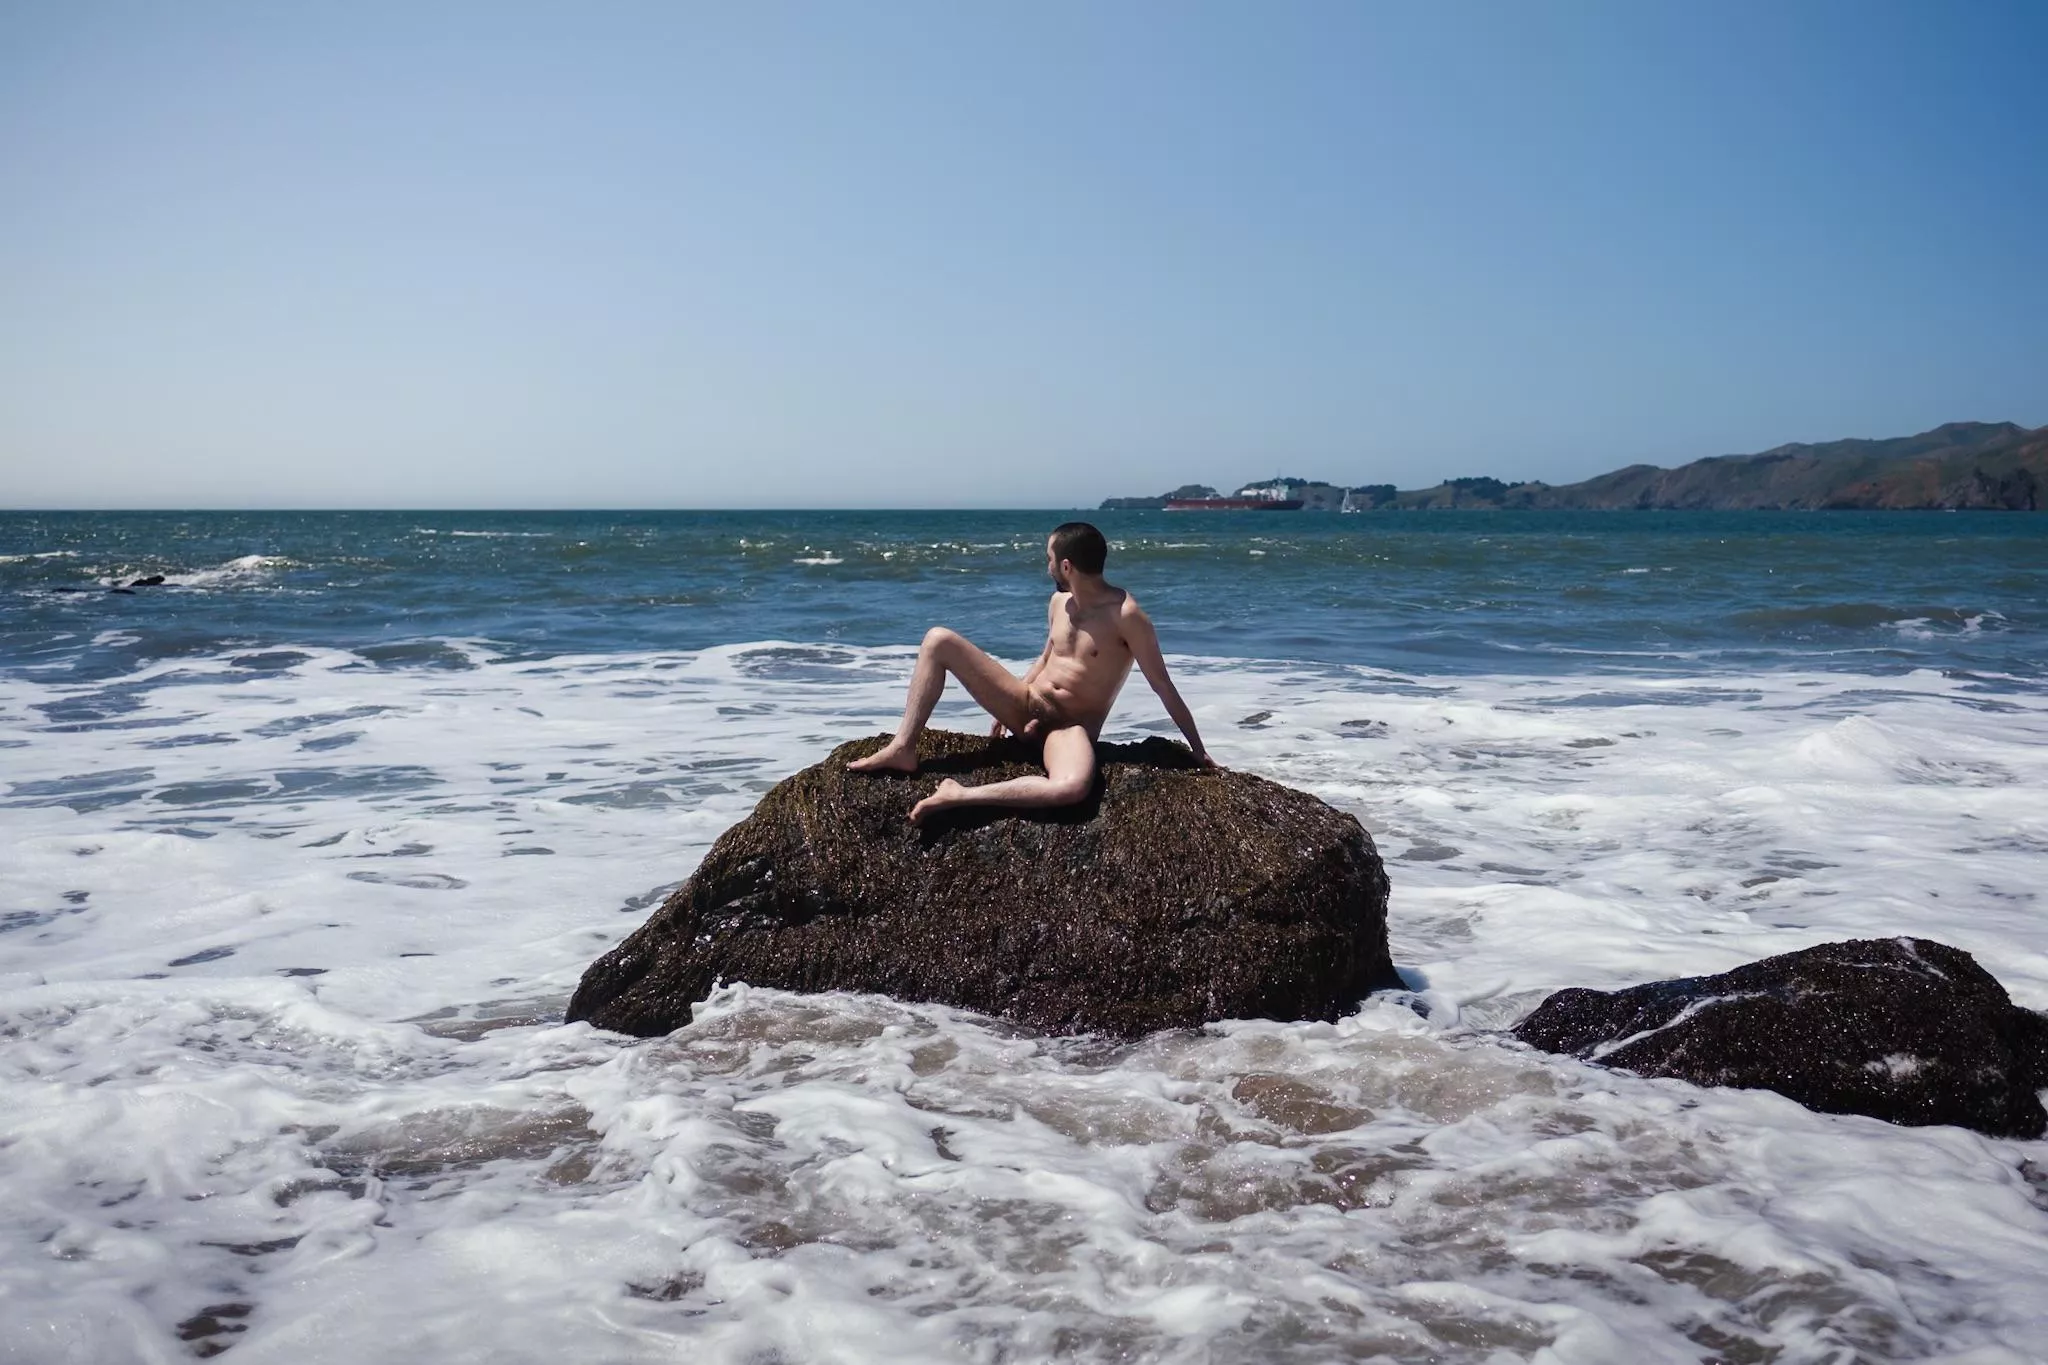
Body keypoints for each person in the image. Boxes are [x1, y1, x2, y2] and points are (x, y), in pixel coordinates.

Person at [849, 521, 1213, 824]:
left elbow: (1163, 686)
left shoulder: (1127, 617)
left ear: (1066, 566)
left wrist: (1199, 751)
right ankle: (903, 747)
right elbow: (1046, 658)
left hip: (1068, 728)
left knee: (1071, 787)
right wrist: (1011, 702)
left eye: (1049, 559)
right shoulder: (1059, 602)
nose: (1047, 567)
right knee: (938, 639)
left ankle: (958, 795)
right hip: (1027, 703)